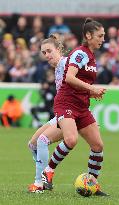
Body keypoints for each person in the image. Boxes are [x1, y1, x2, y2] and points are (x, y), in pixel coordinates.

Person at [41, 18, 108, 196]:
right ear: (88, 35)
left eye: (104, 35)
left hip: (81, 105)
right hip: (66, 102)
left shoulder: (91, 56)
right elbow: (69, 78)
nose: (103, 39)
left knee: (98, 145)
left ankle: (92, 183)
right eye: (100, 35)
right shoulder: (81, 53)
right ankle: (47, 171)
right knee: (71, 140)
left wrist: (90, 93)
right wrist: (91, 88)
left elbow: (80, 82)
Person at [28, 34, 67, 193]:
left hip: (71, 114)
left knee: (42, 141)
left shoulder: (65, 64)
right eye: (44, 53)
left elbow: (80, 86)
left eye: (49, 51)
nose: (46, 55)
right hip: (60, 114)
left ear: (58, 49)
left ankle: (40, 183)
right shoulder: (57, 67)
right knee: (32, 144)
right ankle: (45, 177)